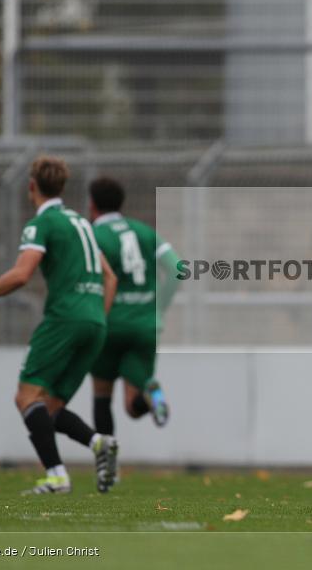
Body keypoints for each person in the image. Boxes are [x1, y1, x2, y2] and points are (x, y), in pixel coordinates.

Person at [0, 156, 119, 495]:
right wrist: (96, 316)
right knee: (49, 408)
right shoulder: (82, 223)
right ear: (63, 186)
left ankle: (56, 476)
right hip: (96, 322)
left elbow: (21, 274)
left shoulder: (42, 224)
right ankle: (99, 443)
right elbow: (110, 277)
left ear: (30, 187)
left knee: (25, 397)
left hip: (64, 319)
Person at [88, 177, 181, 437]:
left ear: (92, 204)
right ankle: (150, 397)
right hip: (144, 325)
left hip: (109, 323)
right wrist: (158, 308)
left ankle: (107, 468)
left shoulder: (94, 235)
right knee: (132, 405)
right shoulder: (145, 232)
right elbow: (177, 270)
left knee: (102, 395)